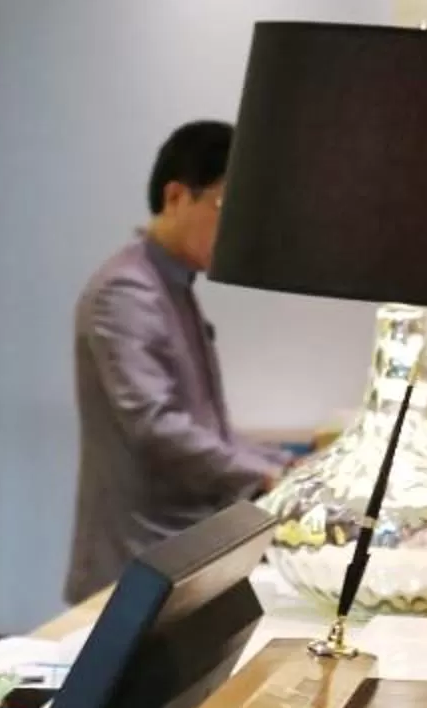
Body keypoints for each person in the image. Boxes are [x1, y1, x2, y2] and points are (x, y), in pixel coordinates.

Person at [65, 120, 289, 601]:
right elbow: (155, 426)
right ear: (175, 197)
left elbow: (208, 426)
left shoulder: (175, 284)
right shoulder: (126, 291)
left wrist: (285, 464)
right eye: (225, 207)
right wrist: (265, 473)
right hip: (139, 555)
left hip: (180, 544)